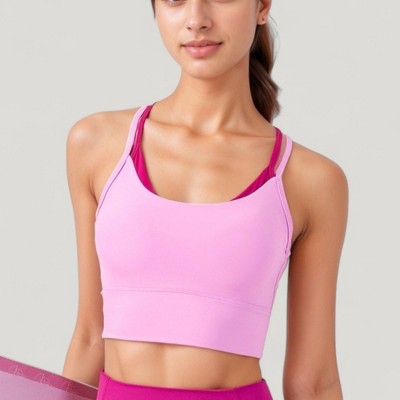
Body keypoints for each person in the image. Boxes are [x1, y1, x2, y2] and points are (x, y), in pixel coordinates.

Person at [62, 1, 348, 399]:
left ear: (262, 6)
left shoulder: (310, 180)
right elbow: (90, 338)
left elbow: (313, 383)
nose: (197, 19)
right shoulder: (96, 145)